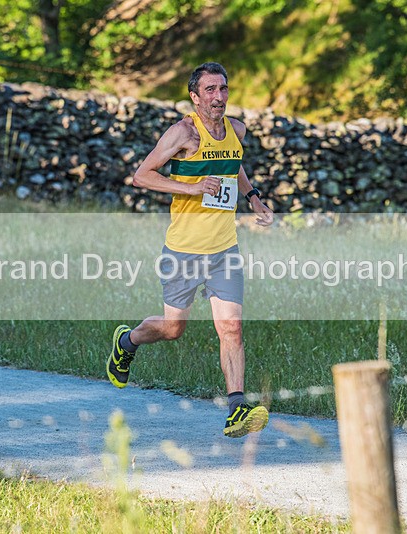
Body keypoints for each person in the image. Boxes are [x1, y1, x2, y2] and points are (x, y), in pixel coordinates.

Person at [105, 62, 274, 438]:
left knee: (231, 328)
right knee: (172, 328)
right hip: (183, 251)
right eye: (210, 90)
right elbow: (142, 175)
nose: (219, 97)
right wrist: (192, 187)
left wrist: (253, 198)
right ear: (195, 97)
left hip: (224, 250)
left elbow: (234, 165)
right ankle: (126, 341)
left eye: (223, 89)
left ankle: (236, 408)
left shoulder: (237, 130)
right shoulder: (183, 133)